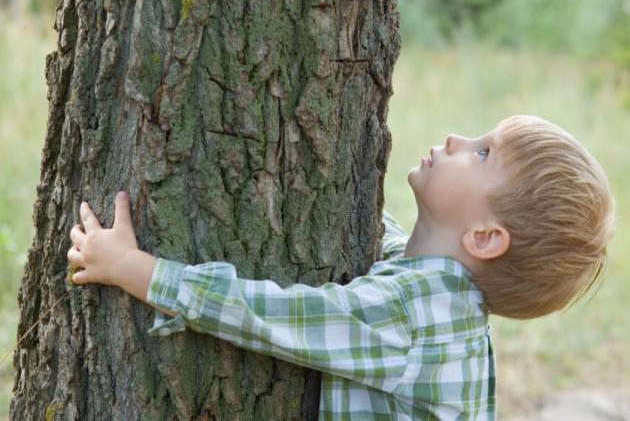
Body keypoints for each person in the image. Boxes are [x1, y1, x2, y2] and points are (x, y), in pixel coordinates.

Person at [66, 115, 616, 420]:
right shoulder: (436, 291)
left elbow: (271, 316)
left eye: (481, 154)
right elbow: (394, 243)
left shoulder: (417, 315)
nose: (455, 138)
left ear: (486, 238)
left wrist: (136, 269)